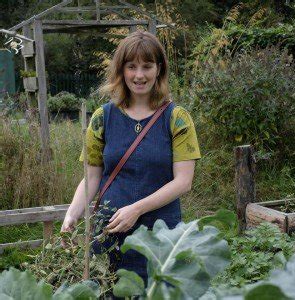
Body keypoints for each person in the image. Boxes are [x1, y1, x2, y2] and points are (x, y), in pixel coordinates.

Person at [60, 31, 201, 286]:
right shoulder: (102, 118)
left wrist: (136, 209)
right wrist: (73, 213)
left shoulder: (177, 118)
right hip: (110, 234)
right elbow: (92, 177)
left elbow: (184, 182)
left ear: (159, 69)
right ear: (121, 71)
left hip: (161, 235)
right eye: (131, 67)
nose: (139, 75)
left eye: (147, 66)